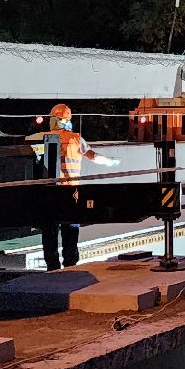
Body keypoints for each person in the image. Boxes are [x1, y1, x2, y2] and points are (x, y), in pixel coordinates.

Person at [33, 103, 119, 271]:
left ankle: (52, 267)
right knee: (70, 230)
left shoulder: (43, 138)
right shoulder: (76, 139)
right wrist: (111, 162)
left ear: (54, 120)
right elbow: (93, 156)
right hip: (72, 192)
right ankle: (70, 266)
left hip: (51, 192)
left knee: (49, 229)